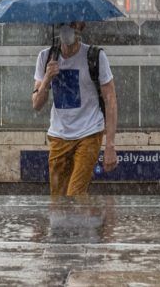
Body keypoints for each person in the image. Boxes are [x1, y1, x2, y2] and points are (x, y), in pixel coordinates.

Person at [32, 21, 118, 198]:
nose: (67, 29)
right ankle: (92, 221)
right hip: (58, 136)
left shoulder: (94, 56)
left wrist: (109, 145)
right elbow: (36, 104)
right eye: (62, 24)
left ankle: (87, 223)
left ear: (81, 27)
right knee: (58, 199)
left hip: (89, 133)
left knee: (74, 194)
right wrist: (47, 78)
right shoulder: (46, 57)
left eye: (72, 24)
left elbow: (110, 100)